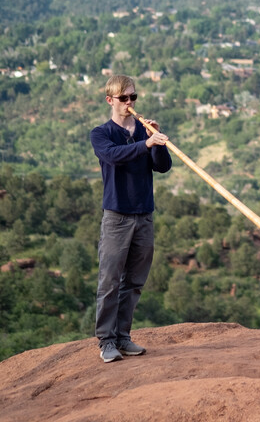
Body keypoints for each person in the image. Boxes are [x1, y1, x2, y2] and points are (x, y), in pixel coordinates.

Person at [89, 75, 171, 363]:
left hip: (144, 214)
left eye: (133, 98)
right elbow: (113, 156)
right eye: (124, 98)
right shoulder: (101, 133)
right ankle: (106, 341)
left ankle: (123, 337)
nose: (129, 103)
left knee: (135, 280)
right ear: (110, 100)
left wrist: (158, 143)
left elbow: (163, 167)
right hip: (116, 217)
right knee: (110, 281)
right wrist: (146, 144)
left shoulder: (143, 132)